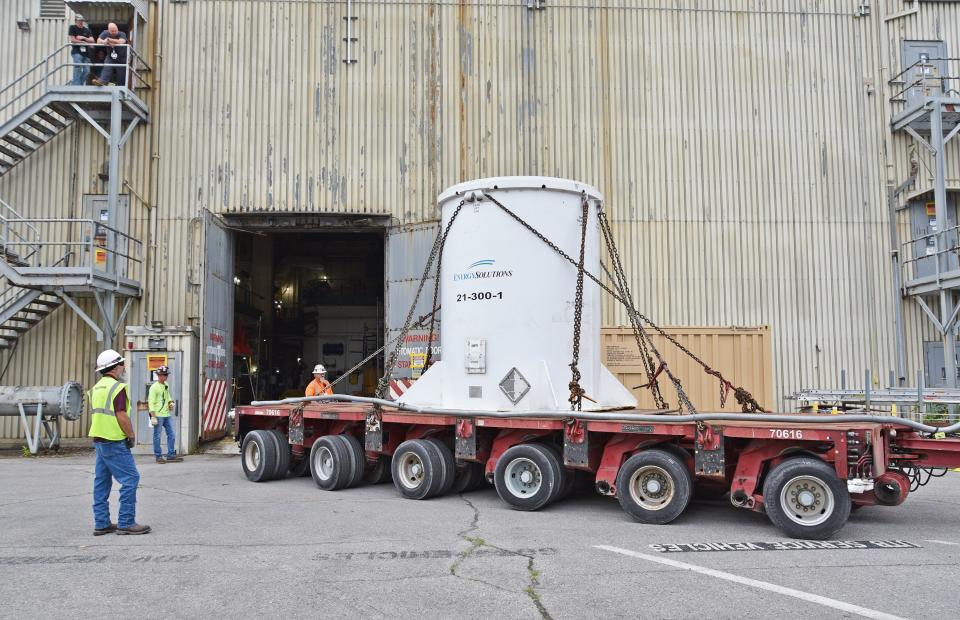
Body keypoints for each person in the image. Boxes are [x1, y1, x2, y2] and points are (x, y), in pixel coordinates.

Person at [88, 349, 150, 535]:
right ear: (115, 367)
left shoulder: (95, 389)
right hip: (114, 440)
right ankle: (126, 522)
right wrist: (131, 435)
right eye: (121, 364)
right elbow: (121, 415)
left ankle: (102, 523)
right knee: (131, 479)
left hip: (99, 440)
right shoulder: (117, 388)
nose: (123, 367)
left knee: (102, 482)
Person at [148, 365, 182, 464]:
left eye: (165, 375)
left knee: (171, 434)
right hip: (158, 415)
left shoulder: (166, 384)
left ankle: (171, 455)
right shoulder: (154, 387)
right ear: (158, 375)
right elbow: (151, 402)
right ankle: (158, 457)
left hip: (166, 414)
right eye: (162, 375)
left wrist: (171, 403)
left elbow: (168, 397)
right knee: (157, 436)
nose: (164, 377)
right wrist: (153, 416)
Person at [67, 15, 94, 86]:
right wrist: (83, 42)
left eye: (82, 20)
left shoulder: (87, 29)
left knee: (87, 71)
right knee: (78, 67)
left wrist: (83, 38)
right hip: (76, 52)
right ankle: (76, 85)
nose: (81, 22)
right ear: (76, 21)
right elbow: (72, 40)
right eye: (79, 20)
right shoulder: (72, 27)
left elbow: (92, 40)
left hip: (86, 53)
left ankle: (79, 84)